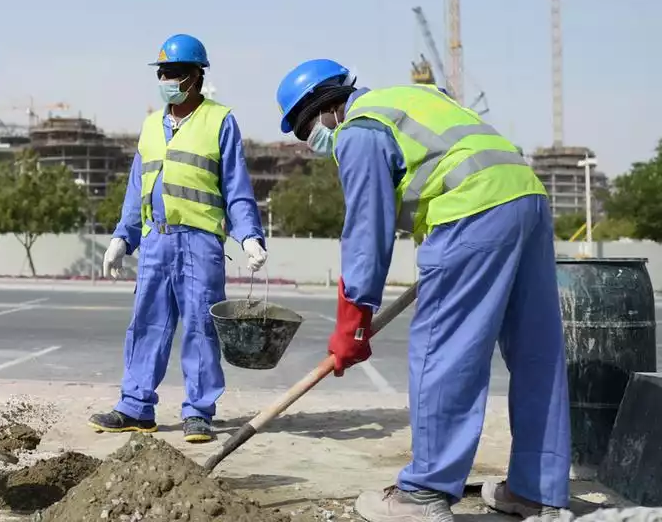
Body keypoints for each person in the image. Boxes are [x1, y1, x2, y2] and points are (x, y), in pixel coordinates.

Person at [274, 60, 570, 522]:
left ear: (323, 107)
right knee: (538, 354)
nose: (312, 142)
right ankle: (538, 491)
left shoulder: (359, 129)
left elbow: (367, 232)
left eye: (305, 130)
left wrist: (353, 324)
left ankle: (424, 493)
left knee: (443, 350)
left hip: (471, 208)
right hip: (526, 198)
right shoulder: (412, 99)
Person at [91, 34, 268, 445]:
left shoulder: (220, 120)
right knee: (146, 324)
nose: (166, 79)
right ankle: (136, 407)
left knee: (201, 327)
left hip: (201, 241)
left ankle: (199, 412)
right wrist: (123, 238)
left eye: (174, 73)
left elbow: (236, 187)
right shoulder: (151, 126)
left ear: (195, 77)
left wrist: (249, 237)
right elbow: (138, 189)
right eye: (162, 73)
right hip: (157, 241)